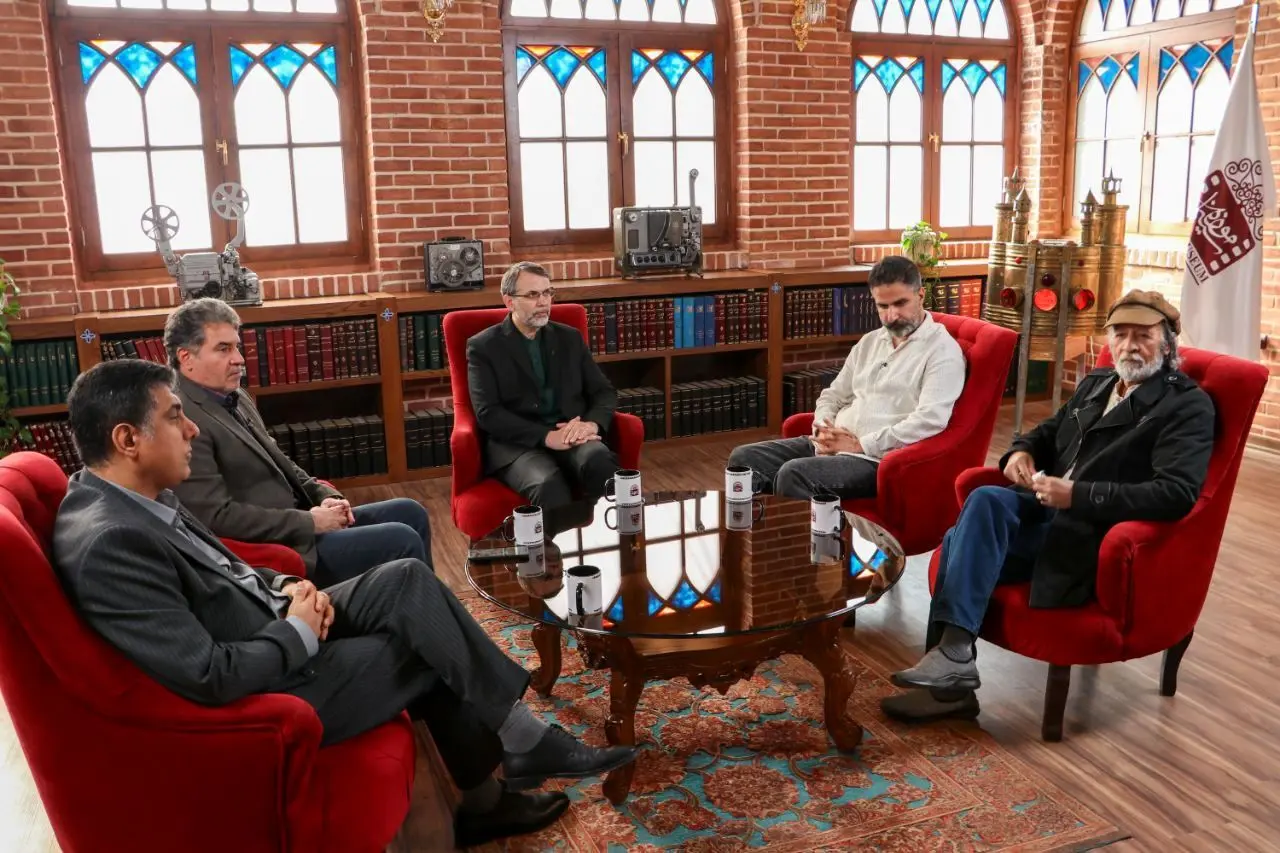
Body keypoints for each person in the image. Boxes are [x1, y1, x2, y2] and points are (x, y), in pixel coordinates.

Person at [51, 359, 638, 849]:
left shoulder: (135, 496)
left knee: (407, 580)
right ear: (127, 439)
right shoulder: (112, 542)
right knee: (429, 640)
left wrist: (286, 587)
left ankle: (514, 750)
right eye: (174, 416)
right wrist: (299, 632)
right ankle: (506, 771)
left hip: (268, 616)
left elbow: (224, 567)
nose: (192, 431)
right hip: (271, 683)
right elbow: (208, 676)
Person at [881, 290, 1215, 723]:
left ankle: (951, 683)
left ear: (1168, 344)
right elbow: (1045, 432)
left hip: (1089, 533)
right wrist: (1019, 453)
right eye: (1120, 334)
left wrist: (1077, 495)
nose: (1129, 345)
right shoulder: (1099, 383)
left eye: (1143, 336)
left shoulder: (1186, 406)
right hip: (1040, 510)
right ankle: (953, 663)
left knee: (958, 535)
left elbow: (1176, 494)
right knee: (985, 500)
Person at [165, 298, 432, 588]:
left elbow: (280, 461)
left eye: (237, 347)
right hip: (283, 547)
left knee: (410, 512)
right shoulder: (182, 419)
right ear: (186, 357)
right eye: (223, 349)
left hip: (303, 517)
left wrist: (324, 495)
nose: (239, 359)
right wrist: (310, 522)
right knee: (401, 538)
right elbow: (216, 517)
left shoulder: (236, 396)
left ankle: (429, 607)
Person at [727, 255, 966, 500]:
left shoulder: (942, 351)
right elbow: (833, 395)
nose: (892, 316)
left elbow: (930, 420)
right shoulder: (870, 342)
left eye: (900, 303)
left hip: (875, 460)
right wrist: (823, 429)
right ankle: (756, 524)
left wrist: (861, 445)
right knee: (743, 459)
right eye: (883, 306)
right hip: (834, 445)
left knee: (793, 474)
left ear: (921, 295)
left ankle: (805, 526)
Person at [467, 261, 619, 517]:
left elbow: (603, 391)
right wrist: (547, 437)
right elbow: (488, 413)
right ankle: (555, 545)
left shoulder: (569, 338)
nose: (544, 302)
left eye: (547, 293)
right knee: (547, 484)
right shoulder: (483, 347)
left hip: (571, 434)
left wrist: (591, 425)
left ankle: (614, 538)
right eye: (532, 295)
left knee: (599, 461)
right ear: (509, 301)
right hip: (518, 446)